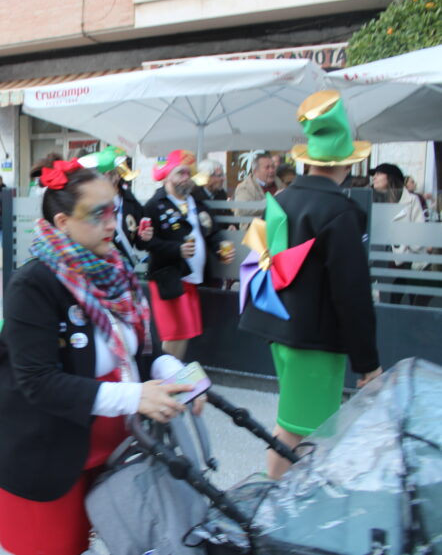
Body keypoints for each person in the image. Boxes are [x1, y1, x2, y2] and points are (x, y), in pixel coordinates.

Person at [0, 156, 197, 555]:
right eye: (98, 214)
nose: (113, 224)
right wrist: (135, 396)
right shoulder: (33, 283)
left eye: (113, 210)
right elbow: (38, 382)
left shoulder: (117, 270)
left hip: (112, 448)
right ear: (63, 222)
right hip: (43, 454)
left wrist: (173, 372)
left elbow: (139, 349)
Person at [240, 90, 382, 479]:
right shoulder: (340, 211)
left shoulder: (283, 199)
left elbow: (263, 255)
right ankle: (275, 503)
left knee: (296, 423)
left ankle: (280, 498)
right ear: (348, 163)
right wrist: (367, 362)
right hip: (314, 339)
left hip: (281, 326)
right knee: (299, 430)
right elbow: (352, 293)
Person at [140, 150, 234, 361]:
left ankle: (175, 373)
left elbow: (212, 233)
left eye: (188, 173)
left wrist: (221, 247)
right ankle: (166, 375)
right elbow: (146, 243)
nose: (186, 178)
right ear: (167, 176)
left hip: (192, 279)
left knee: (185, 333)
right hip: (169, 277)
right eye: (180, 173)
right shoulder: (154, 205)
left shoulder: (197, 203)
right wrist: (177, 250)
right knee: (174, 334)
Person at [371, 163, 427, 305]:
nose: (374, 177)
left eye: (379, 174)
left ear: (390, 178)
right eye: (374, 174)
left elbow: (418, 231)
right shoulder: (372, 198)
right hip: (378, 257)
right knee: (384, 299)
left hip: (405, 258)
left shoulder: (411, 200)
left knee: (409, 298)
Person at [234, 152, 287, 226]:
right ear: (255, 171)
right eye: (267, 168)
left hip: (279, 226)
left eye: (273, 167)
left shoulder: (279, 183)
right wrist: (272, 200)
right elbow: (242, 210)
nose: (271, 170)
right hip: (255, 230)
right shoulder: (245, 187)